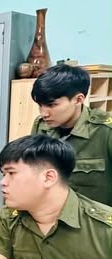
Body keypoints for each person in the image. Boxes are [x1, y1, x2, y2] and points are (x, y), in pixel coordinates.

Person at [31, 64, 112, 206]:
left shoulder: (105, 131)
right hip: (50, 212)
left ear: (78, 99)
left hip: (92, 218)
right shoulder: (41, 126)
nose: (44, 113)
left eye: (52, 105)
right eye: (40, 105)